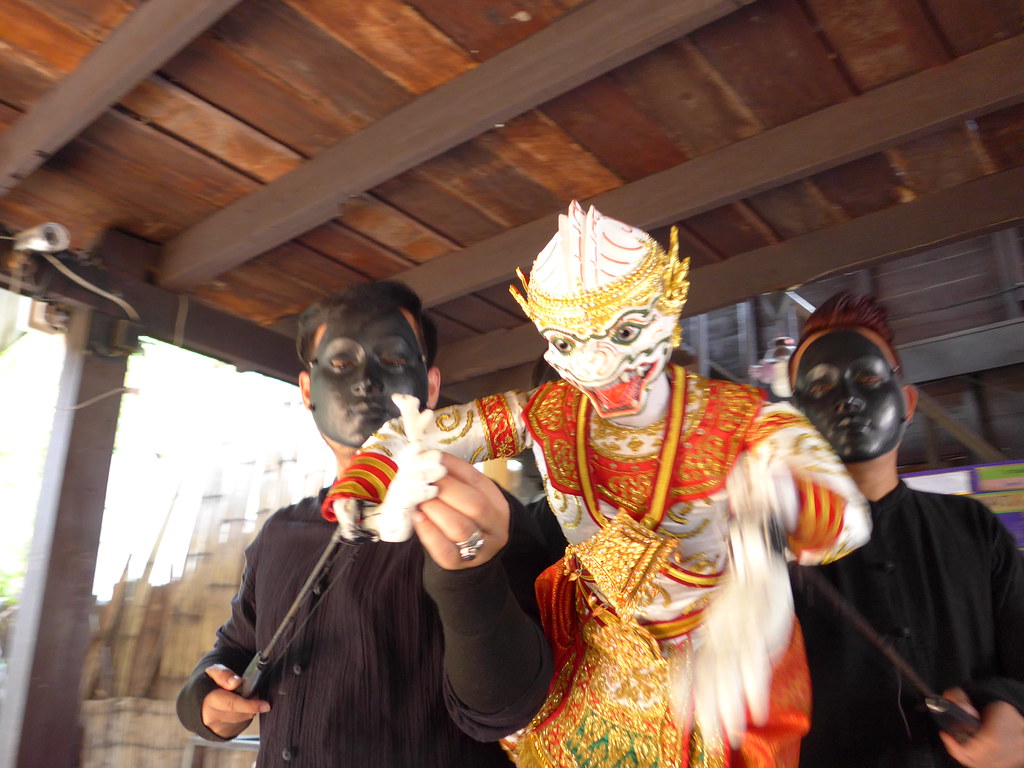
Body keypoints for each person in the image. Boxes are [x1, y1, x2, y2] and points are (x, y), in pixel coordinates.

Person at [323, 202, 870, 767]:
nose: (597, 364)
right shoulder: (546, 411)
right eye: (565, 342)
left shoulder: (745, 417)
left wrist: (783, 506)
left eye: (625, 332)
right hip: (587, 647)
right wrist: (366, 484)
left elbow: (849, 522)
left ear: (669, 305)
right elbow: (410, 431)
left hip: (714, 653)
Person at [175, 281, 555, 767]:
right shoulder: (280, 535)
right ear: (308, 390)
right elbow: (234, 648)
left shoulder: (486, 521)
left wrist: (471, 576)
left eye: (394, 360)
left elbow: (507, 709)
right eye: (340, 363)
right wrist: (202, 699)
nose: (367, 382)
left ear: (431, 386)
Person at [788, 291, 1024, 768]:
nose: (848, 398)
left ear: (907, 401)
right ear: (793, 419)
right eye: (819, 386)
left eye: (869, 377)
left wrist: (1010, 708)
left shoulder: (972, 527)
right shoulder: (768, 548)